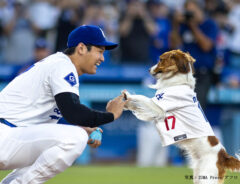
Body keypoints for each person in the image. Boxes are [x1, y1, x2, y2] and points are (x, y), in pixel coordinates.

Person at [0, 25, 127, 184]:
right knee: (75, 138)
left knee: (67, 139)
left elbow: (50, 120)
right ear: (81, 48)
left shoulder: (58, 64)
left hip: (12, 135)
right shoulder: (62, 65)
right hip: (5, 135)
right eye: (100, 51)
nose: (102, 58)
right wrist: (111, 115)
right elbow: (74, 113)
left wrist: (80, 127)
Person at [170, 0, 219, 109]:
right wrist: (175, 25)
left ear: (199, 10)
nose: (190, 15)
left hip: (202, 74)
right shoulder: (183, 25)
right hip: (185, 74)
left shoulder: (209, 24)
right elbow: (174, 45)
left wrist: (193, 27)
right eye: (187, 12)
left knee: (197, 108)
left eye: (192, 11)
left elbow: (206, 46)